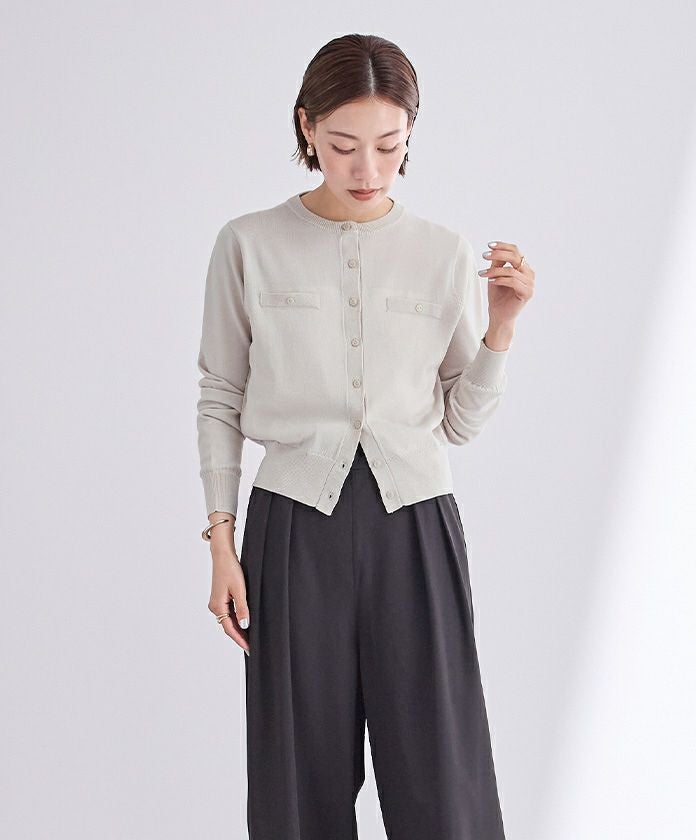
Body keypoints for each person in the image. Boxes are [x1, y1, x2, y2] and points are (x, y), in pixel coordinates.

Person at [196, 32, 534, 840]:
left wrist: (501, 328)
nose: (368, 168)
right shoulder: (248, 244)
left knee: (440, 771)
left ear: (411, 133)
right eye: (344, 145)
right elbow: (219, 395)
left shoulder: (442, 252)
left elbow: (459, 422)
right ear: (307, 126)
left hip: (415, 524)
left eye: (389, 145)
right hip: (292, 527)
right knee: (299, 776)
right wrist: (222, 543)